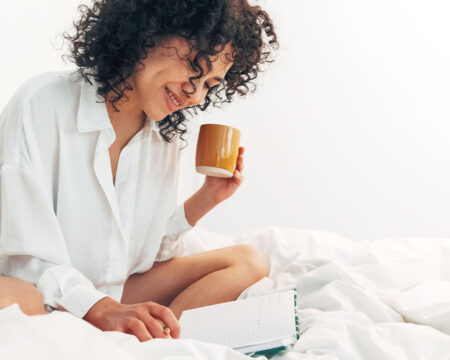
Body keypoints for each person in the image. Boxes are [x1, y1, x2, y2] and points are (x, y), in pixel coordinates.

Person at [0, 0, 278, 342]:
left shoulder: (164, 138)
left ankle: (156, 342)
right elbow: (23, 257)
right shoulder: (42, 104)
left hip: (114, 293)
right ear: (148, 32)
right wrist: (98, 306)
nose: (195, 93)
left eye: (210, 84)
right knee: (13, 297)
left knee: (248, 260)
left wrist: (206, 199)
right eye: (195, 67)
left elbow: (147, 255)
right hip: (41, 292)